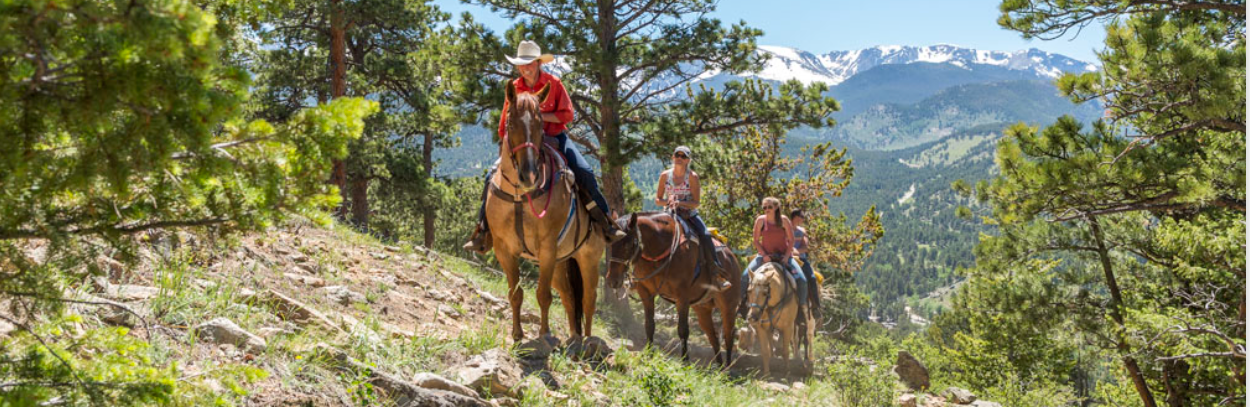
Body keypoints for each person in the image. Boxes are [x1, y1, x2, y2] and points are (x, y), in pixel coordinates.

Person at [464, 41, 627, 253]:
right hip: (523, 143)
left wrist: (539, 116)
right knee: (490, 177)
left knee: (584, 172)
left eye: (529, 63)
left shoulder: (554, 83)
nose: (525, 68)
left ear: (538, 63)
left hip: (554, 137)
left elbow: (567, 114)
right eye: (521, 64)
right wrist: (504, 149)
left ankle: (605, 223)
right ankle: (483, 232)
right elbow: (504, 123)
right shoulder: (514, 88)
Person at [654, 146, 731, 291]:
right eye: (677, 155)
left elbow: (696, 202)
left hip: (688, 214)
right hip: (668, 214)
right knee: (650, 232)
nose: (680, 158)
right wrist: (668, 201)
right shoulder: (665, 175)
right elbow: (658, 200)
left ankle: (716, 273)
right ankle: (638, 274)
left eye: (683, 156)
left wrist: (680, 202)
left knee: (705, 235)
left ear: (688, 160)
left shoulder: (692, 177)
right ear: (673, 157)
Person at [738, 197, 807, 321]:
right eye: (764, 207)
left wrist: (786, 256)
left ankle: (801, 310)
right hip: (764, 256)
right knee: (744, 276)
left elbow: (791, 240)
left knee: (802, 279)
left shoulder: (784, 220)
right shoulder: (760, 221)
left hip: (783, 256)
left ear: (776, 207)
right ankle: (742, 305)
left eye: (769, 207)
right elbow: (756, 240)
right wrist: (764, 255)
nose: (766, 210)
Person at [791, 209, 821, 320]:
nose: (803, 219)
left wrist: (796, 251)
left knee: (812, 278)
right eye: (802, 217)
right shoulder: (784, 228)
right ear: (795, 217)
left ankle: (815, 306)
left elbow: (806, 247)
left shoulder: (802, 231)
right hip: (786, 257)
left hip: (801, 260)